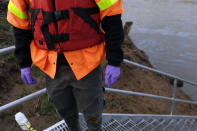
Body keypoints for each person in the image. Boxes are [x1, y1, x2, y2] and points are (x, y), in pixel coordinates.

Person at [7, 0, 124, 130]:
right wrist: (24, 63)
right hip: (51, 64)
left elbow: (112, 17)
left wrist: (114, 61)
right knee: (64, 109)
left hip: (86, 63)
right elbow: (20, 26)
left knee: (93, 110)